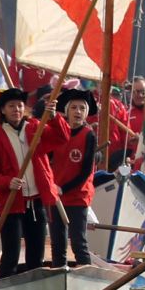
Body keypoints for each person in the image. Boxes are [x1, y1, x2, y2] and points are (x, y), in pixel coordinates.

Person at [0, 87, 56, 277]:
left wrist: (53, 117)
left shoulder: (36, 127)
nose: (16, 110)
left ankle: (35, 289)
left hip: (36, 202)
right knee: (11, 254)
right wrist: (6, 182)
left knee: (36, 255)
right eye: (11, 106)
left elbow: (60, 138)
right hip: (12, 203)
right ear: (3, 110)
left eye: (19, 106)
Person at [33, 87, 101, 267]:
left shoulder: (89, 136)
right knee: (58, 242)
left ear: (86, 113)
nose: (78, 112)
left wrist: (64, 188)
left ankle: (86, 274)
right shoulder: (56, 132)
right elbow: (46, 160)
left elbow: (86, 171)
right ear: (67, 111)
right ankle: (58, 272)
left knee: (78, 241)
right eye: (74, 108)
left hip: (78, 196)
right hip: (55, 195)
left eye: (82, 108)